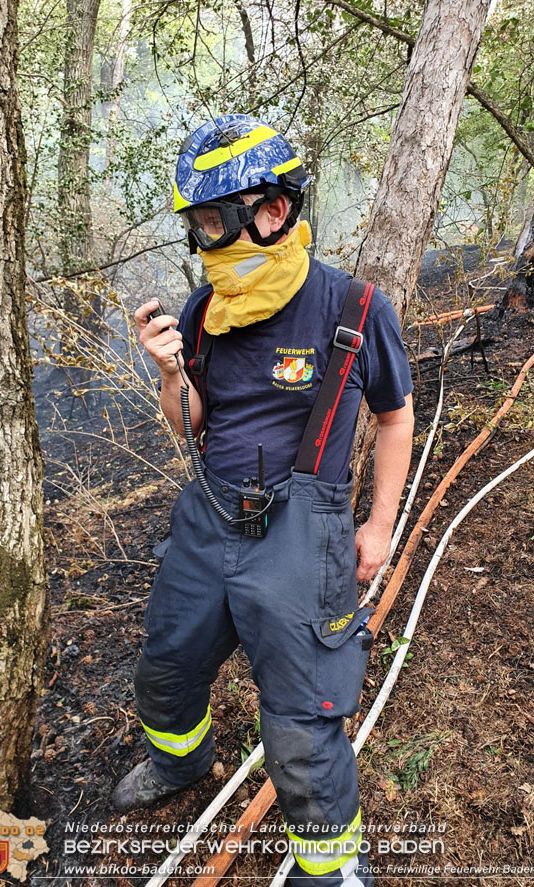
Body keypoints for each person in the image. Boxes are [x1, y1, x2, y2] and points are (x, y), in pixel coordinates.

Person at [113, 114, 414, 887]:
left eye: (213, 220)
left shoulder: (353, 307)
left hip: (300, 527)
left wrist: (378, 524)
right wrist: (171, 374)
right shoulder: (202, 312)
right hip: (208, 512)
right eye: (196, 223)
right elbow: (188, 426)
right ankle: (176, 763)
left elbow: (393, 415)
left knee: (303, 716)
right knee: (167, 663)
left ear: (272, 211)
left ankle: (331, 866)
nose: (201, 240)